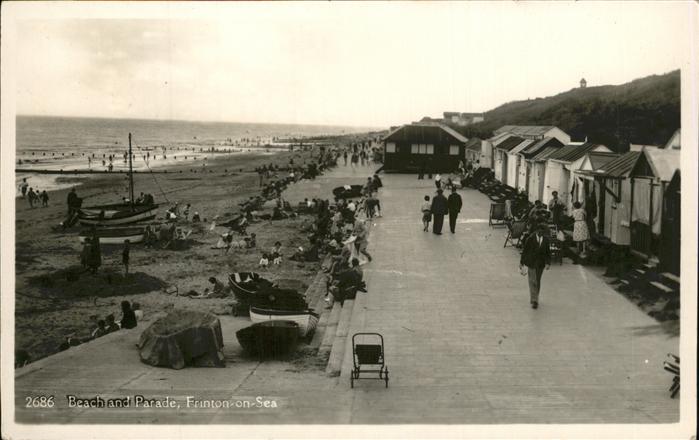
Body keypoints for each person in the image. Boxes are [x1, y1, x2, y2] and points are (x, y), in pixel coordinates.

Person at [519, 225, 551, 309]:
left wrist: (548, 263)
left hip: (540, 264)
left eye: (543, 232)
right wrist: (521, 262)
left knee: (537, 280)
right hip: (532, 262)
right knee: (533, 281)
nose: (541, 233)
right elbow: (525, 251)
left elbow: (548, 252)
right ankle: (535, 300)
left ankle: (535, 297)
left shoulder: (546, 240)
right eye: (540, 231)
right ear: (536, 231)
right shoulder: (530, 239)